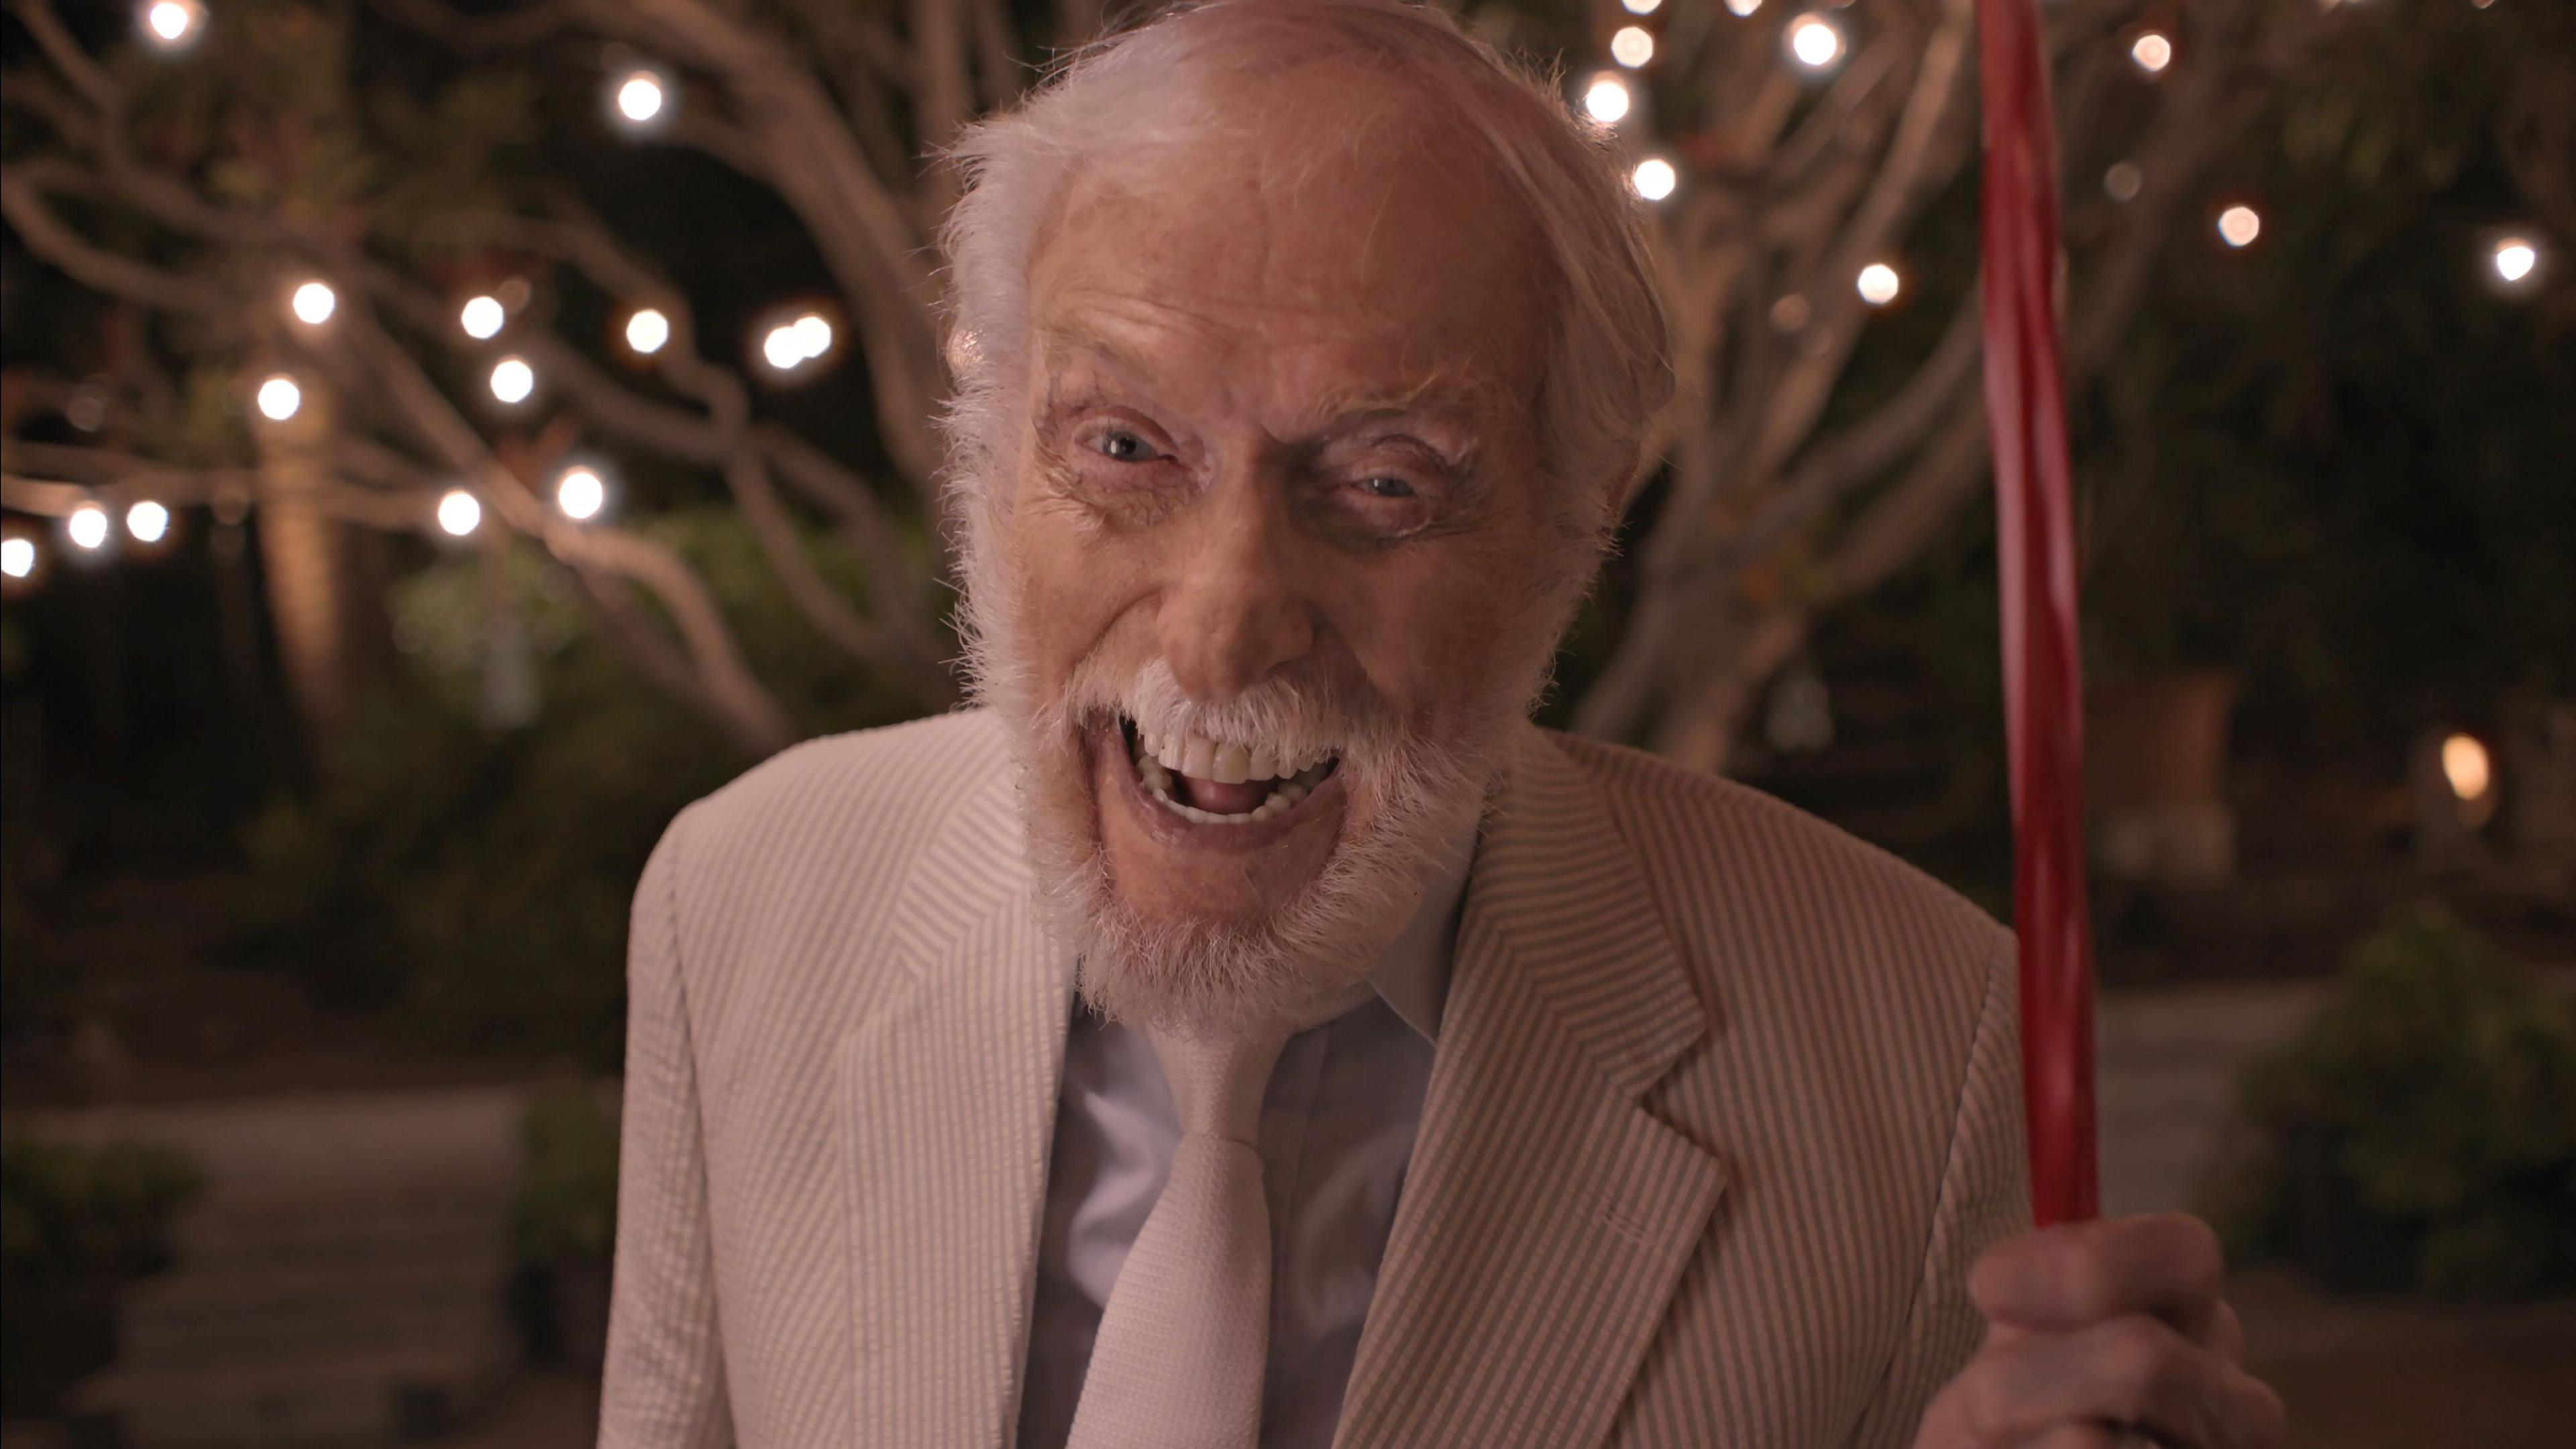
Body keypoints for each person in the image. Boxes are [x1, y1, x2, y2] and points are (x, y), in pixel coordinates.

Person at [598, 3, 2286, 1446]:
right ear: (989, 447)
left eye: (1386, 482)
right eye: (1122, 448)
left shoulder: (1922, 1052)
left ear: (1578, 520)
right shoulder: (736, 903)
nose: (1225, 618)